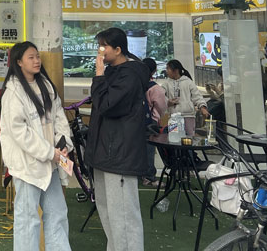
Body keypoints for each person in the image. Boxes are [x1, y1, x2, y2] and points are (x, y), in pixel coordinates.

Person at [0, 42, 73, 251]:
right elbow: (19, 132)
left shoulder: (46, 86)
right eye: (31, 57)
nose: (36, 61)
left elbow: (59, 118)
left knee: (57, 214)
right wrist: (49, 152)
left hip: (52, 163)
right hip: (28, 166)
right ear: (19, 62)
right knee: (27, 219)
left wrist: (63, 144)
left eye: (37, 56)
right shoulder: (13, 92)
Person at [85, 28, 149, 251]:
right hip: (105, 151)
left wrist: (99, 76)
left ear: (118, 49)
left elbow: (107, 105)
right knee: (107, 210)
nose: (99, 51)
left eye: (103, 46)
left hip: (119, 153)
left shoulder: (129, 75)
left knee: (123, 213)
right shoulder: (114, 72)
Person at [162, 59, 209, 136]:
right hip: (173, 117)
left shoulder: (188, 82)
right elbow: (161, 96)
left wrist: (203, 107)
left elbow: (197, 96)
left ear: (176, 70)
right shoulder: (166, 84)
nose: (166, 71)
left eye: (168, 68)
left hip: (188, 116)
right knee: (174, 139)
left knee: (189, 138)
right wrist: (168, 102)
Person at [141, 58, 167, 187]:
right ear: (154, 70)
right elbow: (162, 106)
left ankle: (138, 174)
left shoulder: (137, 84)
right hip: (151, 122)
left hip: (135, 121)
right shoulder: (155, 88)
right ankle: (149, 177)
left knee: (137, 149)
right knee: (149, 149)